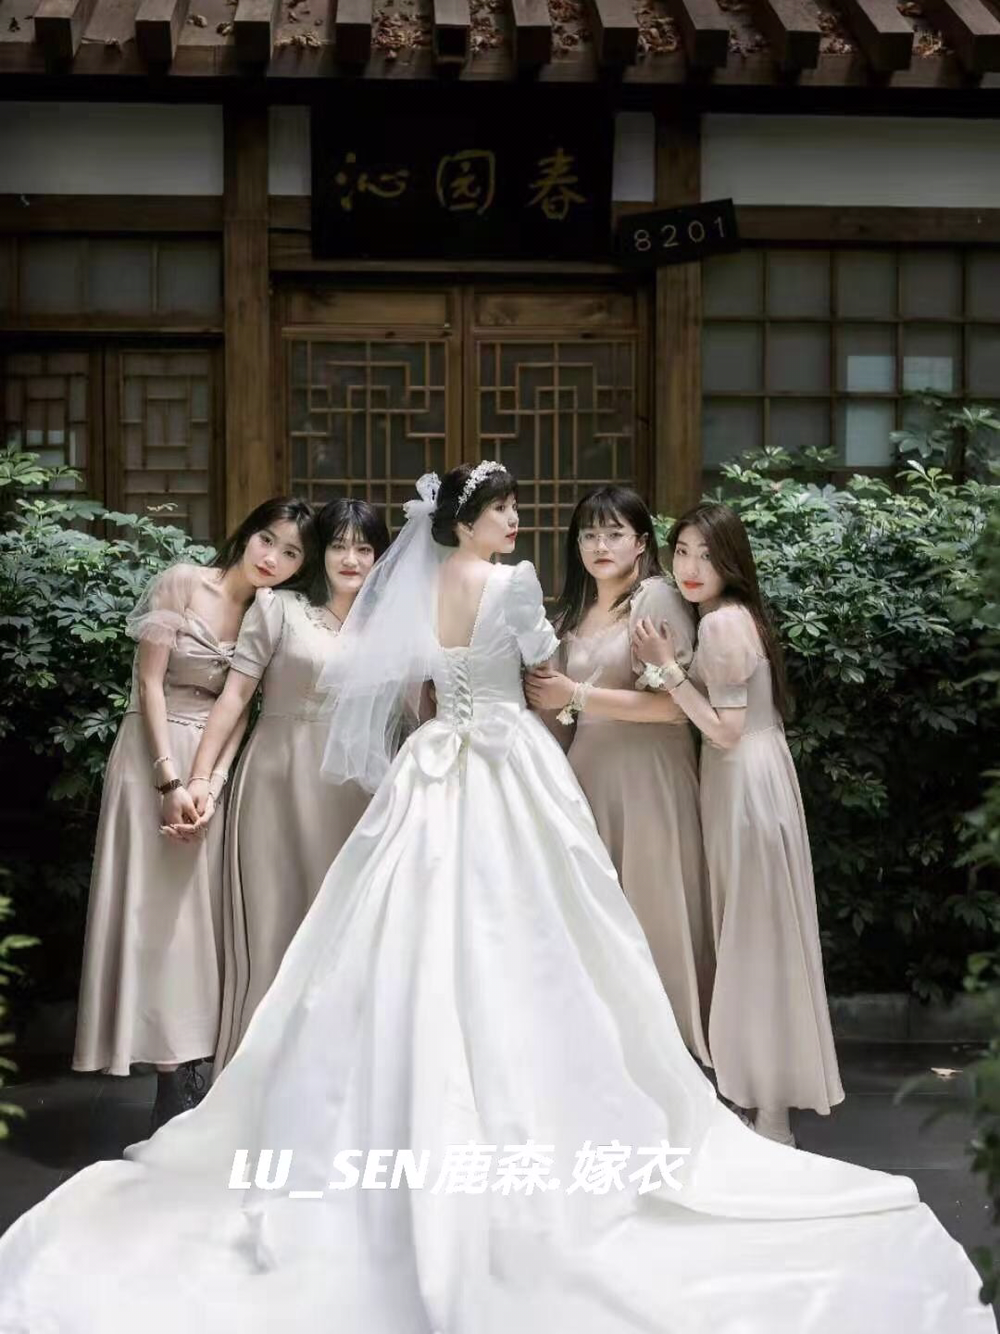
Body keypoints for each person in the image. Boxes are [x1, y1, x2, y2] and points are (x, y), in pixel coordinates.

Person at [0, 467, 991, 1334]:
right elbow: (543, 673)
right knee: (537, 934)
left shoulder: (418, 583)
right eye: (506, 510)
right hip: (511, 756)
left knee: (404, 936)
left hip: (437, 762)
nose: (519, 523)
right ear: (472, 522)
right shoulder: (512, 586)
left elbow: (418, 692)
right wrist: (585, 685)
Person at [71, 498, 314, 1133]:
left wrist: (213, 782)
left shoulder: (271, 614)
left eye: (291, 553)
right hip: (151, 757)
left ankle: (187, 1071)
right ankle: (162, 1066)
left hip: (209, 769)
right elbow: (148, 684)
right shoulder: (182, 582)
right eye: (268, 540)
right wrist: (168, 778)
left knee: (199, 919)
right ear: (247, 533)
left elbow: (243, 706)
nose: (273, 558)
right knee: (152, 910)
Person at [632, 501, 844, 1147]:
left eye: (707, 554)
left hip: (743, 777)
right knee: (758, 932)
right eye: (682, 552)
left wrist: (668, 670)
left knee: (754, 937)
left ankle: (770, 1109)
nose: (691, 568)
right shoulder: (731, 616)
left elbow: (724, 730)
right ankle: (763, 1101)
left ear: (731, 561)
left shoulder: (724, 623)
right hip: (751, 776)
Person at [180, 498, 389, 1070]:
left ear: (381, 557)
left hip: (356, 792)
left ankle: (339, 1075)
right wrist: (200, 777)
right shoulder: (279, 607)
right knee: (276, 925)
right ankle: (258, 1073)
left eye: (364, 548)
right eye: (339, 546)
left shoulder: (389, 625)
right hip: (276, 781)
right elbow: (235, 697)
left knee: (347, 929)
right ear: (322, 551)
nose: (351, 559)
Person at [525, 486, 712, 1066]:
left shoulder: (655, 599)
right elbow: (559, 713)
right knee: (597, 916)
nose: (600, 545)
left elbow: (675, 708)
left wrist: (575, 693)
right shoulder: (571, 614)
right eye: (589, 534)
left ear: (641, 543)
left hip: (647, 775)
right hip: (586, 778)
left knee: (651, 907)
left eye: (614, 534)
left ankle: (670, 1052)